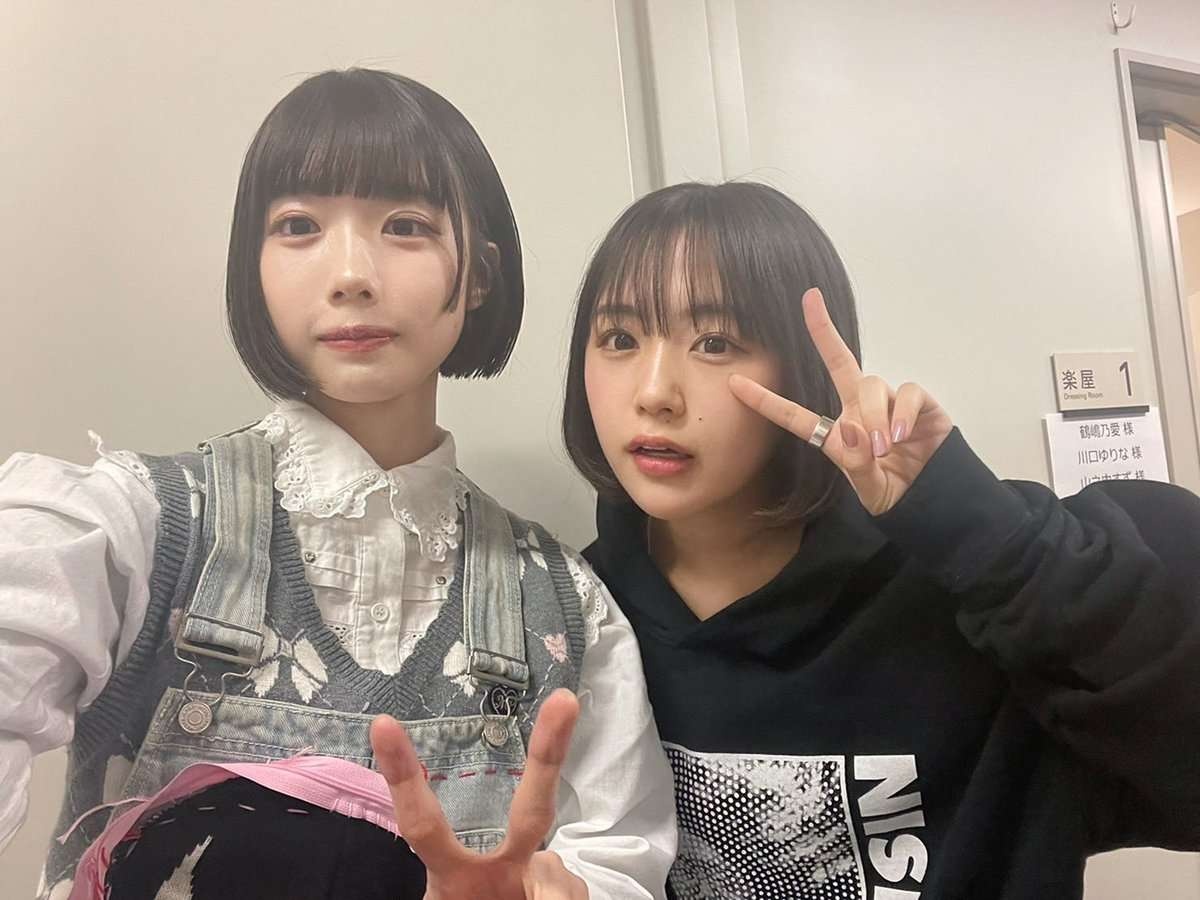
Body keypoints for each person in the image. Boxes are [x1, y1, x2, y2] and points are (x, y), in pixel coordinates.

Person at [0, 68, 674, 899]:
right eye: (298, 226)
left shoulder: (566, 607)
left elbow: (619, 860)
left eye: (405, 226)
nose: (351, 273)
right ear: (252, 268)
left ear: (481, 276)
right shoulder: (134, 528)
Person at [562, 180, 1200, 899]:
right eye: (619, 339)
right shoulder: (575, 617)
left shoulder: (972, 591)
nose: (654, 393)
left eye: (715, 343)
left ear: (801, 367)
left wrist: (977, 528)